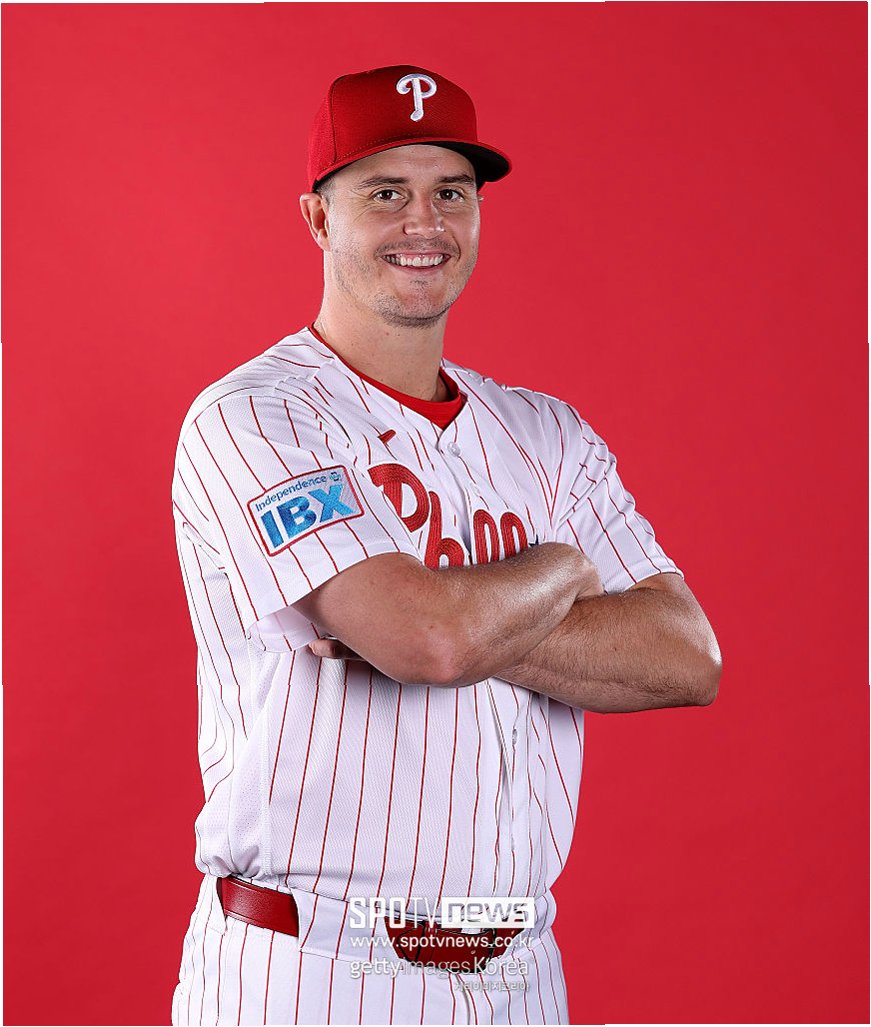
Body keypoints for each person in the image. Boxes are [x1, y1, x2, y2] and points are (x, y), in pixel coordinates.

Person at [170, 64, 721, 1026]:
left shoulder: (547, 434)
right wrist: (560, 570)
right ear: (317, 218)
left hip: (519, 971)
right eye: (385, 192)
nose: (423, 222)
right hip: (314, 967)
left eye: (450, 192)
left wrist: (446, 616)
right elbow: (425, 641)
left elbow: (686, 656)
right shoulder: (257, 415)